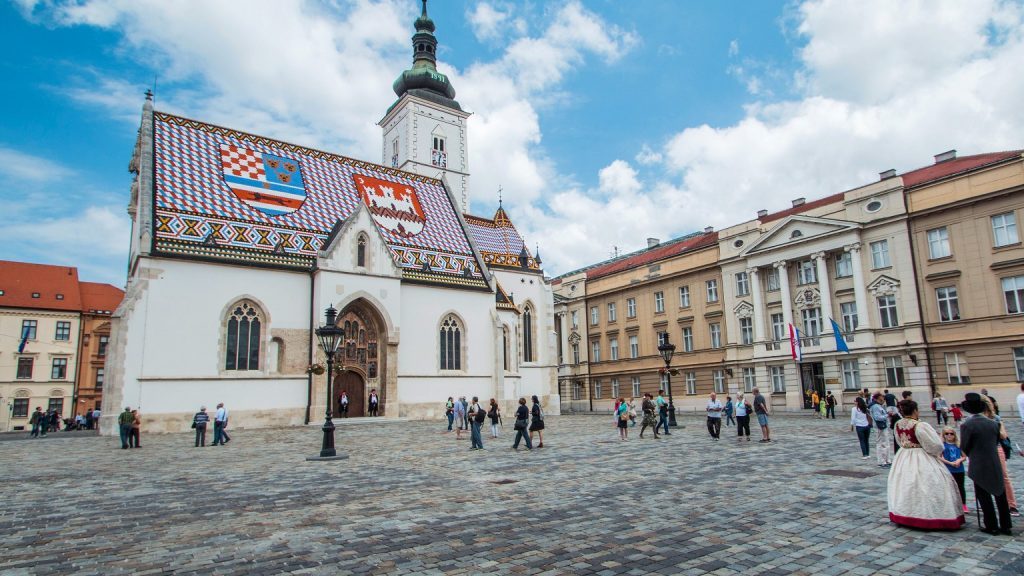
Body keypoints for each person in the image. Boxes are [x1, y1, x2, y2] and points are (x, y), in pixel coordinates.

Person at [888, 399, 965, 530]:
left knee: (904, 485)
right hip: (921, 456)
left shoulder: (898, 424)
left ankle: (905, 512)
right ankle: (928, 515)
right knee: (928, 485)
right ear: (915, 410)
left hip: (904, 456)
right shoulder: (919, 425)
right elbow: (935, 445)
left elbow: (899, 441)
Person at [961, 393, 1011, 534]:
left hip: (978, 462)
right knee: (1000, 494)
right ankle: (1006, 525)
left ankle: (991, 525)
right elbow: (996, 442)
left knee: (984, 496)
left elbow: (964, 446)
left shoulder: (967, 425)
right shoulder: (994, 424)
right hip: (993, 460)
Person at [981, 396, 1019, 517]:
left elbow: (1003, 435)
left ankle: (1012, 505)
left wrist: (992, 426)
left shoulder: (996, 418)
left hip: (996, 449)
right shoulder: (975, 419)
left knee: (1004, 477)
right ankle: (989, 506)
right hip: (982, 450)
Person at [939, 426, 968, 514]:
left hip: (959, 469)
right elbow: (939, 457)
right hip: (949, 469)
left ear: (954, 435)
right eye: (946, 434)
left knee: (961, 487)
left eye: (951, 433)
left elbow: (964, 456)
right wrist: (950, 463)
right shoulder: (943, 446)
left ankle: (963, 504)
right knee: (950, 487)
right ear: (943, 435)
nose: (949, 435)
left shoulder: (958, 445)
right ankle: (951, 504)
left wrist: (959, 460)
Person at [870, 393, 892, 467]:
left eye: (883, 399)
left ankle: (887, 460)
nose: (882, 400)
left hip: (883, 426)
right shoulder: (875, 406)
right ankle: (882, 461)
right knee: (881, 444)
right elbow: (877, 417)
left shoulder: (879, 406)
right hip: (879, 427)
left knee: (885, 443)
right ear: (876, 399)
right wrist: (887, 415)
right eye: (880, 399)